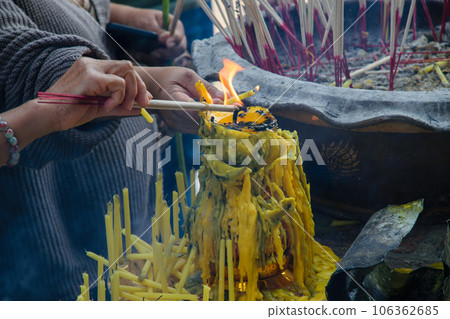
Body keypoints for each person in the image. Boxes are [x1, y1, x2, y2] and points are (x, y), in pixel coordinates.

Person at [0, 0, 221, 300]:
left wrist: (129, 23)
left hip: (130, 243)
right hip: (62, 268)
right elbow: (17, 65)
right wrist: (145, 83)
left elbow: (69, 10)